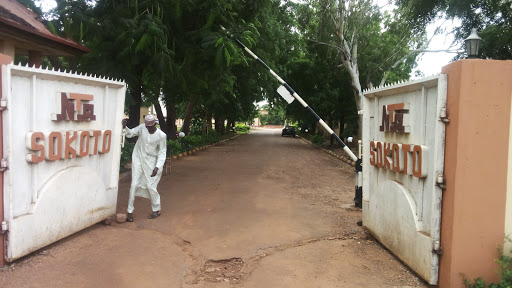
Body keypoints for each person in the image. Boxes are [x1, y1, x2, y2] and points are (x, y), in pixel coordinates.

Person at [122, 115, 167, 221]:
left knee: (151, 186)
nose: (148, 128)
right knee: (134, 184)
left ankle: (156, 209)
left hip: (151, 162)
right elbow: (131, 133)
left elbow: (162, 152)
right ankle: (129, 212)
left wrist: (157, 167)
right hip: (138, 157)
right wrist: (125, 127)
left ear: (155, 124)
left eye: (151, 126)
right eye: (147, 126)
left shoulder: (161, 135)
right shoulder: (142, 128)